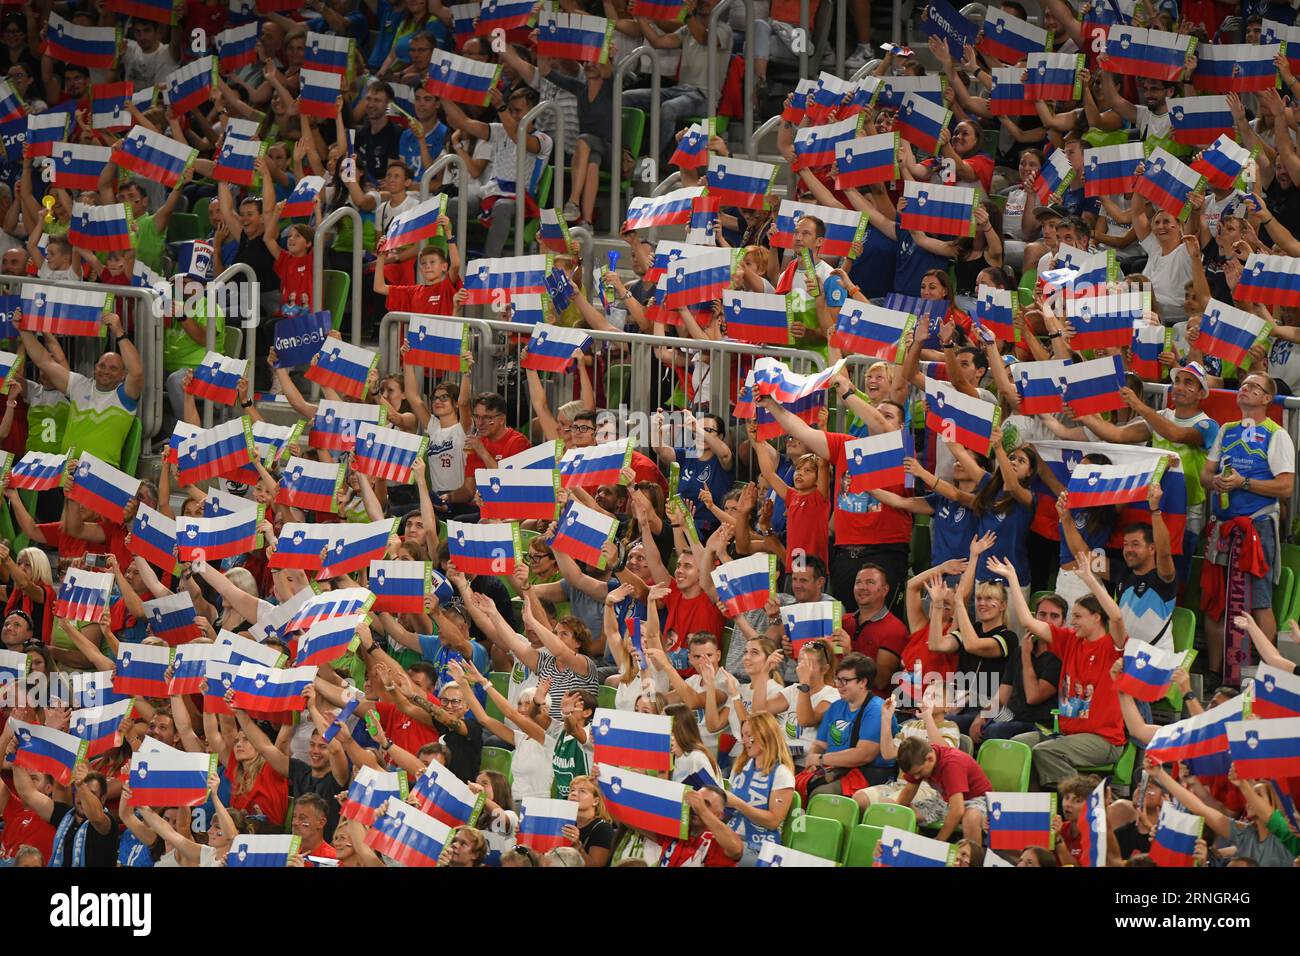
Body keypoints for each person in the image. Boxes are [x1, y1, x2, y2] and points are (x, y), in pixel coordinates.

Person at [990, 554, 1130, 789]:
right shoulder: (1069, 641)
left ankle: (1084, 800)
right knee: (1019, 745)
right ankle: (1036, 808)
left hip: (1103, 740)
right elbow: (1027, 620)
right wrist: (1012, 578)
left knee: (1046, 751)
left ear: (1096, 618)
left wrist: (1090, 579)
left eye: (1077, 616)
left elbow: (1115, 616)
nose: (1072, 622)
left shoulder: (1112, 647)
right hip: (1066, 735)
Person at [1200, 371, 1297, 683]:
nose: (1245, 389)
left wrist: (1245, 483)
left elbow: (1285, 487)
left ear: (1267, 399)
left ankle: (1271, 673)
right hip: (1223, 526)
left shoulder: (1276, 434)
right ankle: (1216, 673)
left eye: (1254, 386)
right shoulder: (1227, 429)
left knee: (1259, 601)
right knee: (1217, 600)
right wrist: (1214, 481)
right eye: (1243, 385)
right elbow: (1205, 474)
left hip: (1257, 528)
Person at [803, 652, 897, 800]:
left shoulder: (877, 709)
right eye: (837, 679)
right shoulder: (835, 707)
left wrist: (821, 759)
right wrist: (813, 761)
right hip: (836, 768)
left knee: (821, 795)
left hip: (869, 773)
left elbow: (863, 755)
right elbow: (820, 744)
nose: (839, 686)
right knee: (796, 785)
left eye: (845, 680)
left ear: (862, 682)